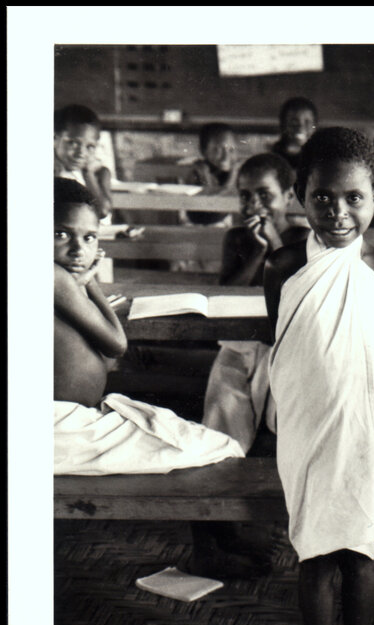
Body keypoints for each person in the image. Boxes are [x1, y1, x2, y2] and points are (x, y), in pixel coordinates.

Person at [263, 128, 374, 625]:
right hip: (304, 423)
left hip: (359, 426)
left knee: (357, 547)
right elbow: (288, 347)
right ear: (300, 195)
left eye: (354, 198)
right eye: (322, 197)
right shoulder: (280, 265)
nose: (338, 212)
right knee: (313, 551)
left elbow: (370, 354)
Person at [53, 178, 243, 476]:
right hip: (64, 427)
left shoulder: (56, 280)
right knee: (221, 449)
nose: (79, 249)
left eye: (90, 238)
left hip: (73, 423)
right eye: (61, 234)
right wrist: (91, 283)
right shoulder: (54, 277)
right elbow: (117, 344)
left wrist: (80, 286)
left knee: (182, 437)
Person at [202, 152, 310, 452]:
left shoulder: (302, 237)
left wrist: (274, 242)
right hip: (239, 342)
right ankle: (225, 461)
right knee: (223, 407)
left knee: (282, 414)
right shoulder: (236, 238)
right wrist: (257, 252)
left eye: (265, 195)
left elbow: (297, 287)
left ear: (288, 197)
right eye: (245, 196)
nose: (255, 205)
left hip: (284, 344)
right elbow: (226, 293)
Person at [54, 104, 113, 220]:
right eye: (73, 143)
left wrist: (88, 174)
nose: (81, 153)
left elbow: (102, 211)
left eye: (90, 146)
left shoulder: (101, 173)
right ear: (54, 139)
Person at [184, 122, 238, 226]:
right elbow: (212, 210)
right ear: (203, 151)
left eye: (231, 150)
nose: (226, 156)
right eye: (217, 150)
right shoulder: (197, 172)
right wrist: (206, 178)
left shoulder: (236, 172)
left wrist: (233, 175)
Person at [271, 97, 318, 171]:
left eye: (307, 122)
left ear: (315, 126)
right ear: (283, 125)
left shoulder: (321, 159)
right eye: (294, 122)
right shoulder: (272, 159)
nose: (300, 128)